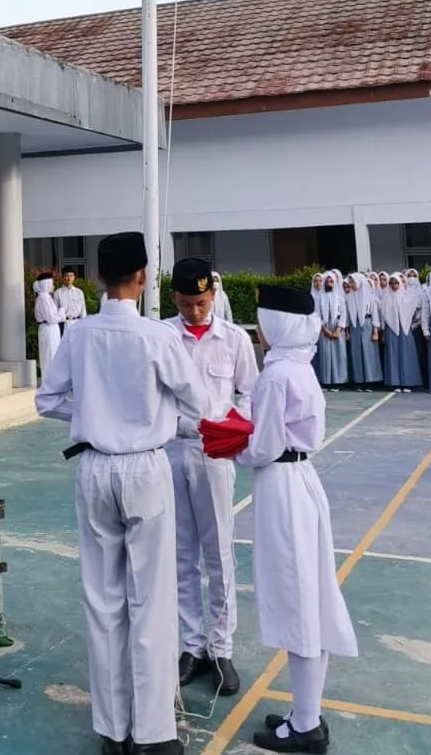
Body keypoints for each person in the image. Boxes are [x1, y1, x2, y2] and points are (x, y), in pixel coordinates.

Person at [36, 232, 208, 755]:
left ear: (100, 279)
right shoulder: (158, 337)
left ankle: (112, 730)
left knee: (103, 601)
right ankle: (154, 733)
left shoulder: (80, 334)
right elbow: (197, 401)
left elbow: (48, 401)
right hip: (143, 468)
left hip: (93, 466)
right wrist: (158, 419)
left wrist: (92, 416)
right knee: (151, 600)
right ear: (141, 277)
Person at [231, 283, 357, 753]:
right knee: (311, 597)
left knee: (296, 602)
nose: (259, 329)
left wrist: (231, 447)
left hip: (281, 487)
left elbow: (262, 446)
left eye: (263, 319)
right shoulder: (299, 368)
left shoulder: (275, 375)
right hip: (302, 482)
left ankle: (306, 726)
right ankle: (305, 712)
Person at [164, 258, 257, 696]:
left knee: (219, 552)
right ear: (173, 299)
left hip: (215, 455)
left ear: (213, 296)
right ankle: (192, 646)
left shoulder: (234, 340)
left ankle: (222, 649)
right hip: (172, 450)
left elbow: (252, 395)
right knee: (181, 554)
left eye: (201, 303)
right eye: (186, 304)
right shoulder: (163, 337)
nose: (195, 312)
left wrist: (234, 429)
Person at [380, 273, 423, 392]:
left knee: (406, 355)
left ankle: (407, 383)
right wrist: (383, 332)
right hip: (391, 330)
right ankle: (395, 383)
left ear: (400, 283)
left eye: (396, 282)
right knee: (393, 356)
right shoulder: (386, 297)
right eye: (392, 283)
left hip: (405, 328)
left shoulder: (406, 296)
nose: (394, 285)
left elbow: (417, 304)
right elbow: (383, 316)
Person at [344, 272, 381, 390]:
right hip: (355, 327)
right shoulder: (349, 297)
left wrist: (375, 331)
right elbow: (348, 316)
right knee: (357, 354)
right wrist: (347, 332)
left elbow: (374, 314)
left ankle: (371, 381)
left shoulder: (370, 296)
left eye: (353, 282)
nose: (351, 284)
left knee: (369, 353)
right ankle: (360, 381)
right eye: (350, 282)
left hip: (367, 325)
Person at [313, 272, 347, 389]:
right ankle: (327, 381)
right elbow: (317, 315)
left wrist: (338, 330)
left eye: (331, 281)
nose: (329, 283)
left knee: (338, 354)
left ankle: (338, 382)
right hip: (324, 328)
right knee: (326, 354)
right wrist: (325, 330)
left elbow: (343, 315)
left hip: (337, 327)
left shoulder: (340, 297)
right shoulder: (319, 297)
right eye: (327, 281)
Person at [33, 272, 64, 375]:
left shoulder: (47, 297)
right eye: (52, 283)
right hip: (48, 329)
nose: (53, 286)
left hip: (52, 329)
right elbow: (51, 318)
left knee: (54, 355)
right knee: (49, 356)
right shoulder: (43, 298)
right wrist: (61, 312)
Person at [55, 265, 86, 334]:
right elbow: (55, 311)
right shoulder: (57, 292)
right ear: (62, 277)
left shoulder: (79, 292)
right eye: (66, 276)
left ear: (74, 277)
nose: (69, 278)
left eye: (71, 275)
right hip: (63, 324)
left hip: (77, 323)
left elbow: (83, 311)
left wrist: (84, 325)